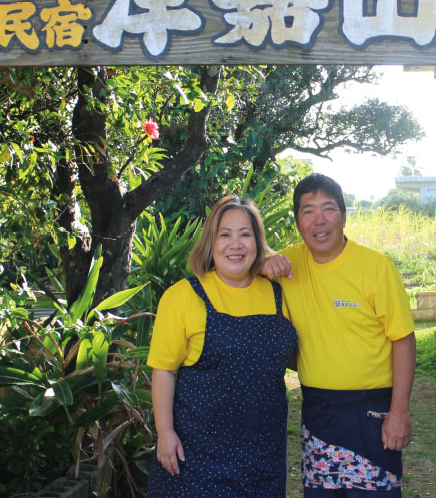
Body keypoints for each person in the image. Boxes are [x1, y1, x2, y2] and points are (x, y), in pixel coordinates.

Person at [263, 173, 416, 497]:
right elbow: (241, 263)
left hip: (373, 412)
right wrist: (264, 262)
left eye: (328, 209)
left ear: (344, 216)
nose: (319, 220)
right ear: (297, 221)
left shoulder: (377, 267)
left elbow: (403, 339)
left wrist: (399, 412)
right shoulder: (288, 265)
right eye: (308, 211)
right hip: (318, 413)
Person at [146, 195, 298, 498]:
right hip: (196, 457)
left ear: (257, 241)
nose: (236, 244)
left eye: (245, 234)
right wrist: (165, 432)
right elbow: (163, 370)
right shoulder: (182, 297)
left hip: (264, 456)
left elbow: (295, 357)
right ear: (210, 243)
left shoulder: (279, 293)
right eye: (225, 234)